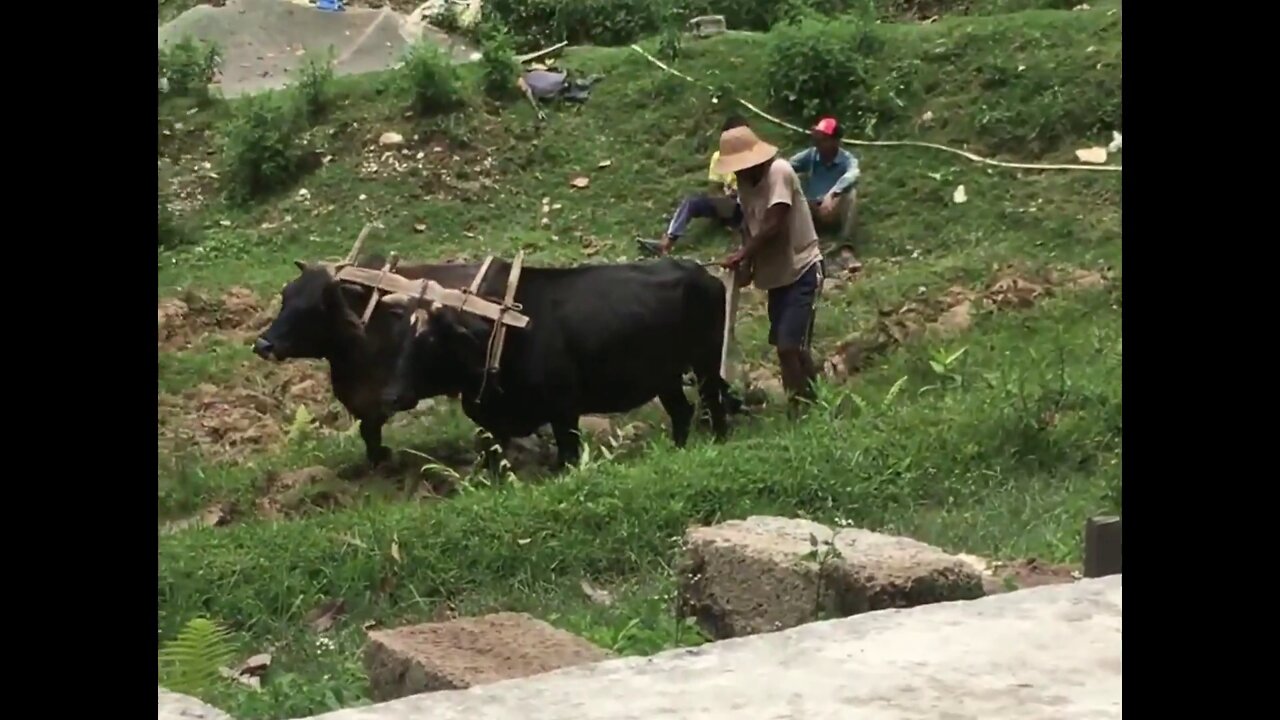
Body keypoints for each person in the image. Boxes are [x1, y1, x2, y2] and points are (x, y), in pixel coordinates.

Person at [715, 125, 824, 408]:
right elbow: (750, 227)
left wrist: (742, 254)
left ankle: (798, 409)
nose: (738, 173)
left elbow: (774, 224)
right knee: (790, 347)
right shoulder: (745, 185)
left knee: (790, 347)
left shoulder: (780, 172)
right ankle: (814, 401)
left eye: (741, 167)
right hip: (776, 278)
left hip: (802, 270)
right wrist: (747, 265)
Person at [643, 116, 750, 256]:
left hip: (747, 204)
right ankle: (667, 243)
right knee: (691, 202)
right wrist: (723, 197)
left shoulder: (752, 157)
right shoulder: (719, 157)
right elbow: (714, 187)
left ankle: (741, 236)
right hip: (727, 202)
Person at [789, 117, 861, 246]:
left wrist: (833, 193)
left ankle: (846, 244)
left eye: (824, 140)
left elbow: (853, 173)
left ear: (836, 141)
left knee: (851, 195)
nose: (819, 144)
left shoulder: (847, 159)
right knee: (793, 178)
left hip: (831, 210)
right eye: (818, 139)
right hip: (809, 208)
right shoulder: (811, 154)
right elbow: (788, 164)